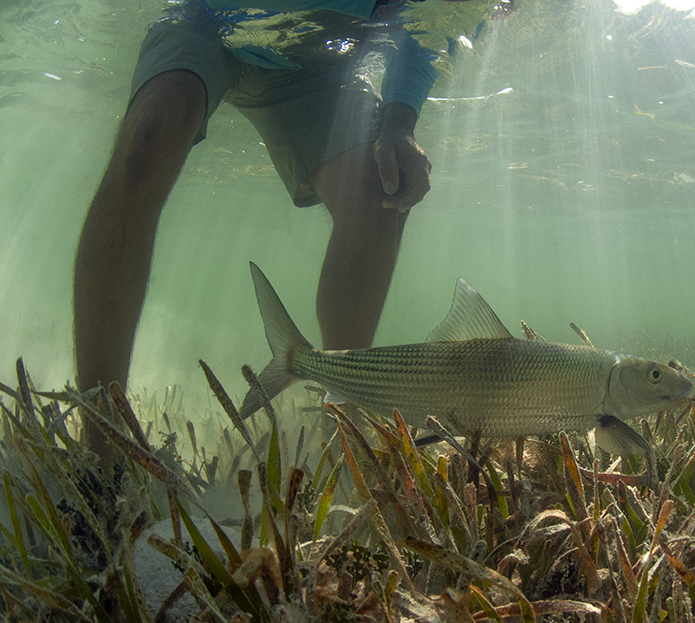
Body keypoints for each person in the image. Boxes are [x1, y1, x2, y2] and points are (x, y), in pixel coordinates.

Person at [73, 1, 440, 469]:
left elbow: (430, 17)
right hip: (207, 24)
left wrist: (399, 122)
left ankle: (343, 431)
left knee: (376, 195)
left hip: (324, 63)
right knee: (148, 136)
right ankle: (103, 451)